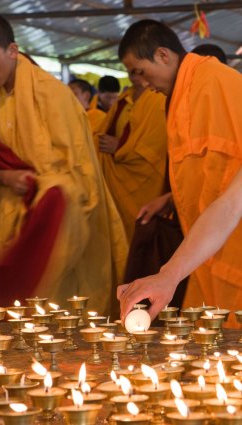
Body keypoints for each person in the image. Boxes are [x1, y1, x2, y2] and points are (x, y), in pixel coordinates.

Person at [0, 12, 128, 315]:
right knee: (10, 313)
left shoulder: (53, 95)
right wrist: (7, 178)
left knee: (58, 310)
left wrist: (46, 193)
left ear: (12, 50)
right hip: (9, 215)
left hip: (60, 224)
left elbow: (81, 176)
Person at [116, 19, 242, 327]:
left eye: (140, 71)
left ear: (162, 55)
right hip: (207, 247)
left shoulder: (217, 83)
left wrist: (169, 274)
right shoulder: (184, 93)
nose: (141, 83)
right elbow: (224, 187)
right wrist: (168, 275)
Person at [95, 70, 168, 242]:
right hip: (117, 178)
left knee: (141, 233)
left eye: (139, 69)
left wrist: (120, 146)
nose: (134, 75)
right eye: (130, 69)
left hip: (146, 183)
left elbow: (157, 146)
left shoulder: (158, 98)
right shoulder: (124, 99)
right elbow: (102, 133)